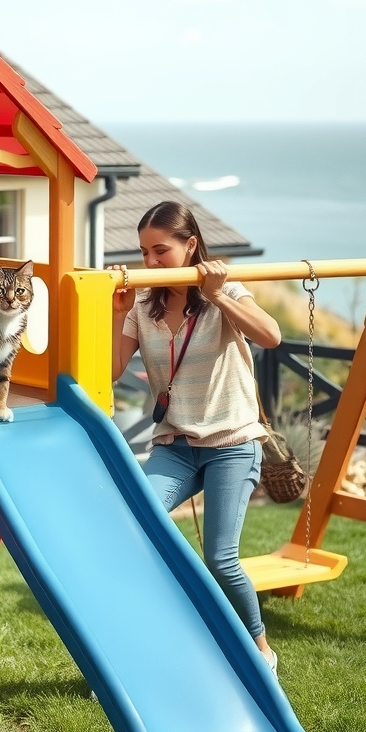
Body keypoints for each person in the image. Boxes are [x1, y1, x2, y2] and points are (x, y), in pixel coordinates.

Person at [111, 201, 282, 675]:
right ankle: (152, 641)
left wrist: (219, 294)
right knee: (135, 524)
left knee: (221, 558)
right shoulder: (143, 307)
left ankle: (261, 651)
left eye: (160, 251)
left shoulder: (226, 291)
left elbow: (271, 336)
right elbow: (109, 371)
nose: (149, 263)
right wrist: (116, 312)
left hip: (232, 441)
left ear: (190, 246)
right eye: (144, 252)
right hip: (177, 445)